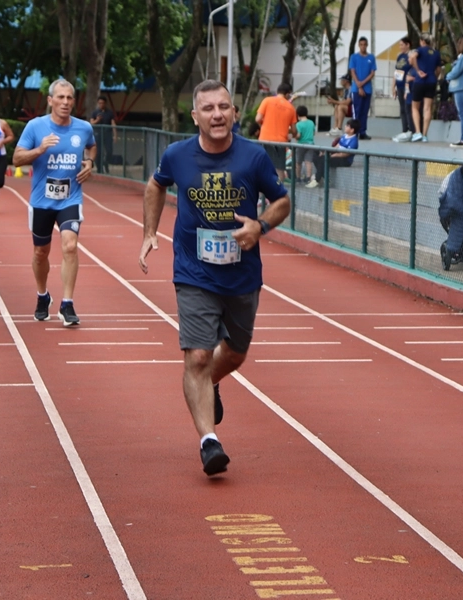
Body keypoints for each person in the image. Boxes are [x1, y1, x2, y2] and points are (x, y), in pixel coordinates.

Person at [139, 80, 291, 476]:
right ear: (196, 117)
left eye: (224, 107)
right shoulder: (177, 155)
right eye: (208, 109)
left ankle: (211, 384)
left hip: (242, 274)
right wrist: (149, 233)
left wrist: (260, 226)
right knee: (199, 356)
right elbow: (155, 185)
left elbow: (282, 201)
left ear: (235, 112)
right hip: (193, 271)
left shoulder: (253, 157)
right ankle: (209, 441)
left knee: (235, 353)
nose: (217, 114)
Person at [13, 78, 96, 327]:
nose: (66, 102)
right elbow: (16, 158)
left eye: (70, 98)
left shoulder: (83, 128)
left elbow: (91, 147)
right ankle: (42, 295)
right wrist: (39, 150)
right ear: (50, 101)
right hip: (42, 200)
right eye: (60, 97)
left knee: (70, 246)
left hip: (71, 198)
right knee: (41, 252)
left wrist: (90, 163)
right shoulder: (35, 127)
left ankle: (67, 303)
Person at [256, 83, 298, 182]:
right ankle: (277, 194)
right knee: (279, 169)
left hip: (264, 139)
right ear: (288, 94)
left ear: (277, 91)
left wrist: (265, 125)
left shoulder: (267, 100)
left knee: (263, 167)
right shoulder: (291, 108)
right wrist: (294, 135)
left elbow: (258, 119)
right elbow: (294, 130)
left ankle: (262, 196)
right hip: (280, 142)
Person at [407, 34, 442, 143]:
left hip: (420, 81)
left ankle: (417, 132)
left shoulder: (420, 50)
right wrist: (434, 77)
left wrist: (417, 70)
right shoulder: (436, 53)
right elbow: (439, 69)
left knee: (415, 107)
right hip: (431, 81)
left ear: (422, 41)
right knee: (427, 108)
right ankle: (425, 134)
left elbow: (412, 57)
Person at [306, 118, 359, 188]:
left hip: (344, 160)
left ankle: (317, 180)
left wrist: (331, 156)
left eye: (347, 126)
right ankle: (325, 178)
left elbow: (345, 154)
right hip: (336, 155)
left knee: (324, 159)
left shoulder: (354, 141)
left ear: (352, 130)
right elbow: (336, 147)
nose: (345, 126)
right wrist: (327, 152)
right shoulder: (343, 136)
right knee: (316, 156)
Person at [349, 37, 377, 140]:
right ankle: (354, 131)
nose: (363, 46)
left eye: (365, 44)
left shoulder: (371, 57)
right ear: (358, 45)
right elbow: (352, 71)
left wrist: (363, 83)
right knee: (357, 111)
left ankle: (362, 131)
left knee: (365, 111)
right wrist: (358, 85)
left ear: (367, 45)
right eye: (361, 44)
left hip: (367, 89)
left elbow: (372, 73)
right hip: (356, 90)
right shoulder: (354, 57)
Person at [391, 37, 413, 142]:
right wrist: (393, 86)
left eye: (402, 45)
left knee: (408, 108)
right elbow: (397, 71)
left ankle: (411, 130)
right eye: (399, 45)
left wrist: (407, 86)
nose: (400, 47)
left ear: (408, 45)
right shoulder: (399, 56)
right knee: (402, 109)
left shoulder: (411, 56)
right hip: (399, 85)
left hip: (407, 85)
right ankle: (404, 129)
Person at [89, 96, 117, 174]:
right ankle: (99, 168)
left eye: (103, 103)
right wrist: (97, 120)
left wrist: (115, 135)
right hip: (98, 135)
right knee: (98, 152)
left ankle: (106, 162)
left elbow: (113, 124)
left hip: (107, 134)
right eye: (100, 103)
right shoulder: (95, 112)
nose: (101, 104)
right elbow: (91, 122)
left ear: (105, 103)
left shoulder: (110, 112)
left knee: (109, 151)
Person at [294, 105, 316, 183]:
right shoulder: (311, 122)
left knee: (298, 162)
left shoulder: (298, 124)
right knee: (308, 161)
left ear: (298, 114)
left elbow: (299, 135)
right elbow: (313, 133)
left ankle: (298, 177)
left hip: (301, 144)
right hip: (310, 144)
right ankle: (308, 177)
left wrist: (295, 137)